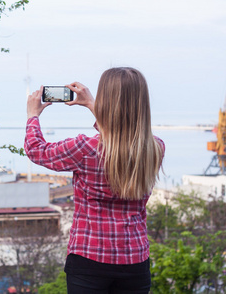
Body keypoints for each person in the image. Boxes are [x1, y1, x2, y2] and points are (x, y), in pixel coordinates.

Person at [24, 67, 165, 294]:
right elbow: (121, 136)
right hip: (135, 260)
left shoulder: (84, 149)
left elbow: (36, 150)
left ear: (106, 101)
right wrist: (91, 104)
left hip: (89, 259)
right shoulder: (155, 148)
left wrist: (33, 115)